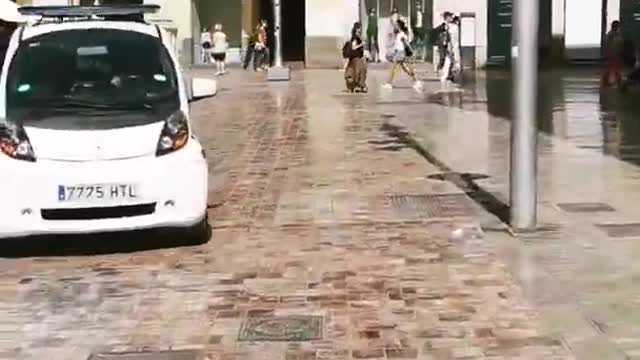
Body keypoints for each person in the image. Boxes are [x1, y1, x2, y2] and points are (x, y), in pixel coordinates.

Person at [381, 19, 422, 91]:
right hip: (398, 52)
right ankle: (416, 81)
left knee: (394, 68)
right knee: (405, 69)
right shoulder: (399, 34)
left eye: (396, 26)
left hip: (400, 52)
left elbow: (406, 43)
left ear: (399, 26)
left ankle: (389, 83)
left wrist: (410, 50)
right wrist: (392, 21)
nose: (395, 27)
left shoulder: (402, 34)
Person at [344, 22, 367, 93]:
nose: (361, 29)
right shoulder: (355, 37)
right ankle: (358, 86)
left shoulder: (357, 36)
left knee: (358, 71)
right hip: (356, 57)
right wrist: (361, 44)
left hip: (357, 57)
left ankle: (357, 86)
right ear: (357, 28)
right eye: (360, 28)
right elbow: (353, 47)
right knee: (360, 71)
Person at [602, 20, 624, 87]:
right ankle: (618, 82)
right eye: (618, 26)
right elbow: (607, 45)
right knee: (614, 68)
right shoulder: (610, 35)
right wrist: (607, 53)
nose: (619, 27)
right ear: (615, 26)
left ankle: (606, 81)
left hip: (616, 54)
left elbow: (620, 44)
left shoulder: (617, 34)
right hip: (612, 54)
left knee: (612, 68)